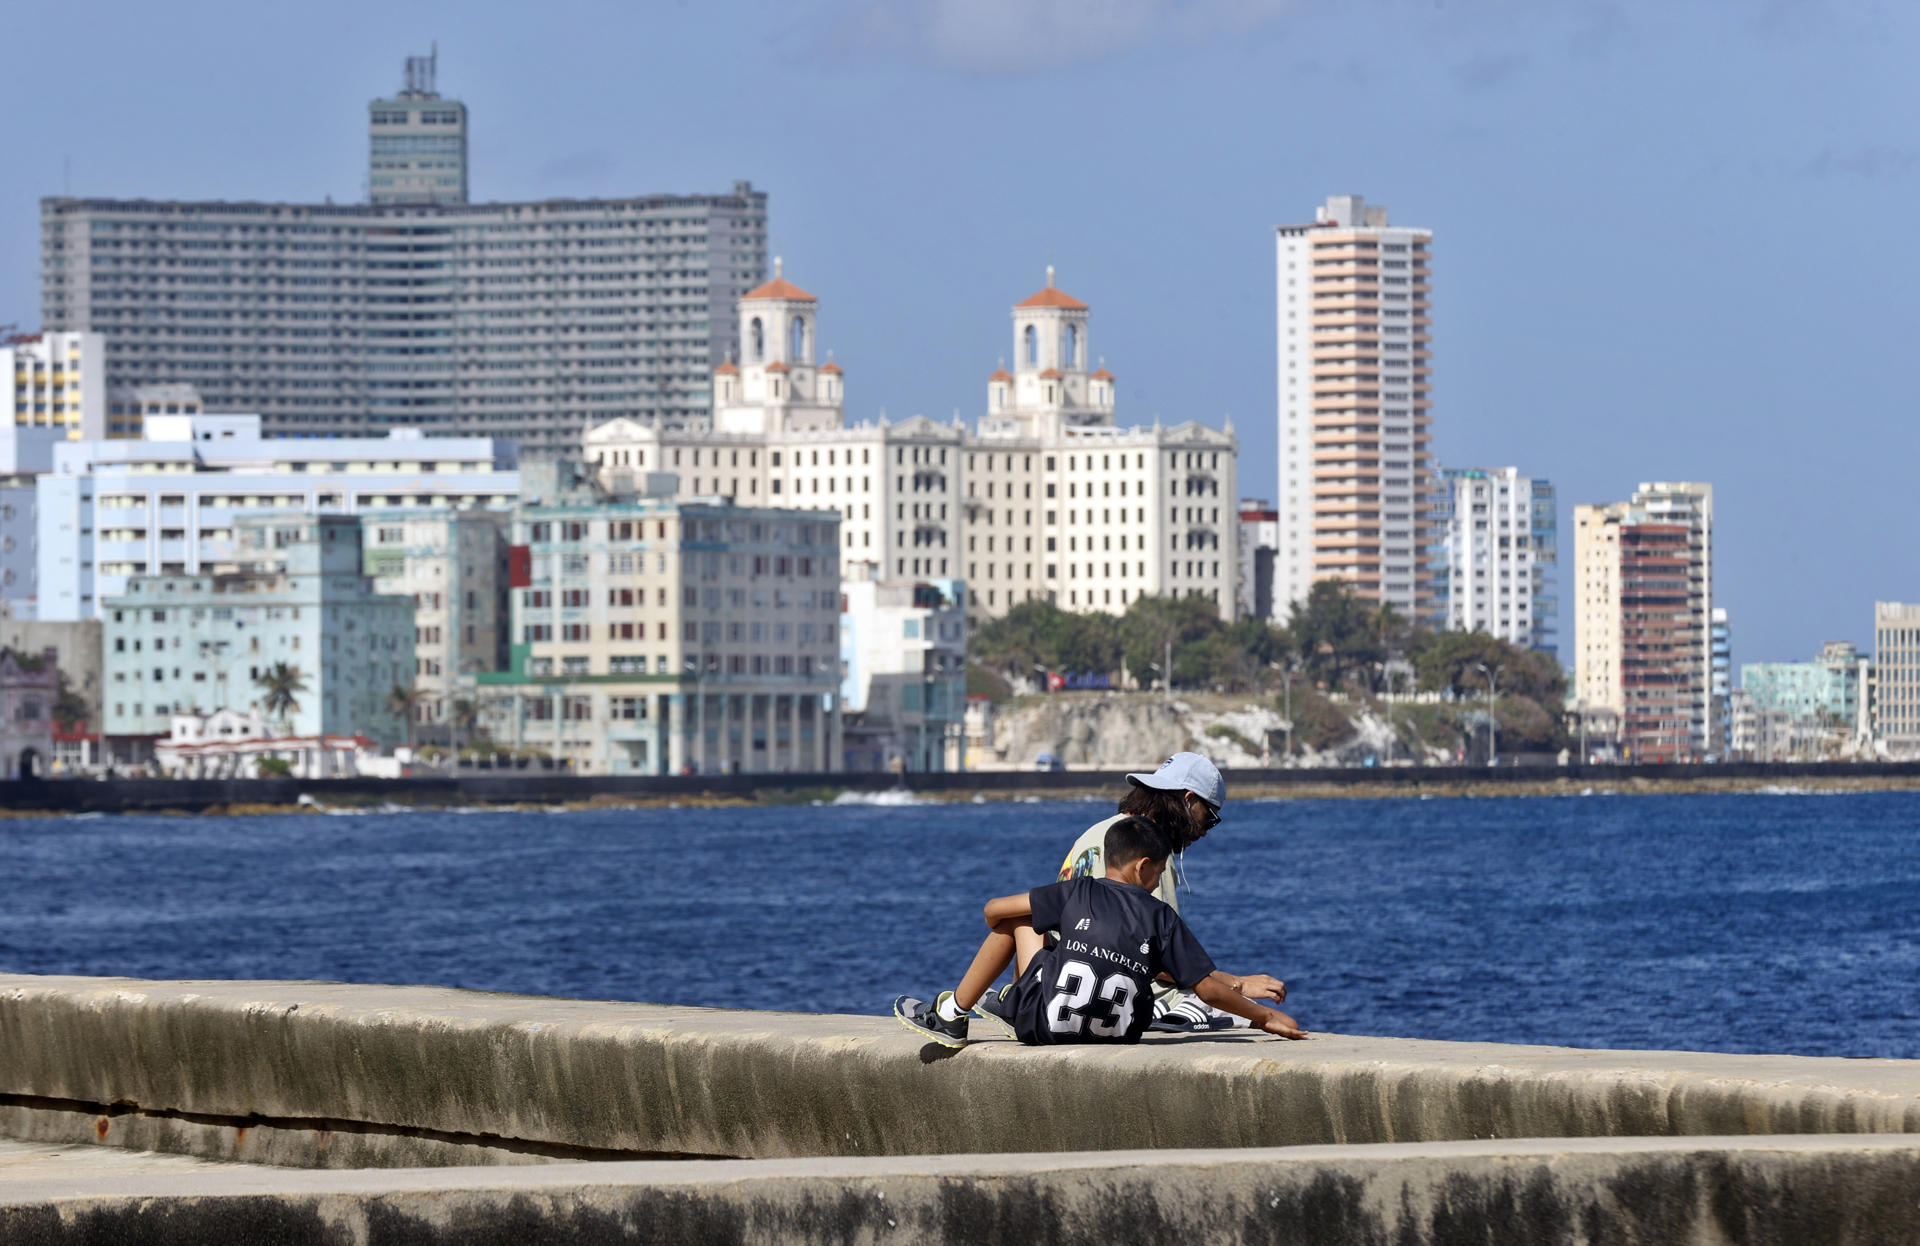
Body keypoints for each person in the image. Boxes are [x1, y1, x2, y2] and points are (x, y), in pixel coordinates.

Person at [893, 816, 1306, 1047]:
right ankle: (1002, 1000)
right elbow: (1207, 988)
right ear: (1144, 866)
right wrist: (1266, 1017)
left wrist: (1000, 923)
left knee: (1018, 919)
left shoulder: (1078, 892)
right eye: (1161, 871)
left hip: (1045, 1026)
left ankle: (951, 1014)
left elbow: (992, 909)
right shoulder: (1161, 918)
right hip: (1119, 1034)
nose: (1159, 877)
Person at [1057, 752, 1287, 1030]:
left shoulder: (1095, 834)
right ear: (1189, 800)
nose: (1205, 831)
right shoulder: (1150, 857)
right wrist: (1239, 985)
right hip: (1128, 998)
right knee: (1259, 1022)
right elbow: (1161, 959)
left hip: (1068, 991)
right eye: (1210, 817)